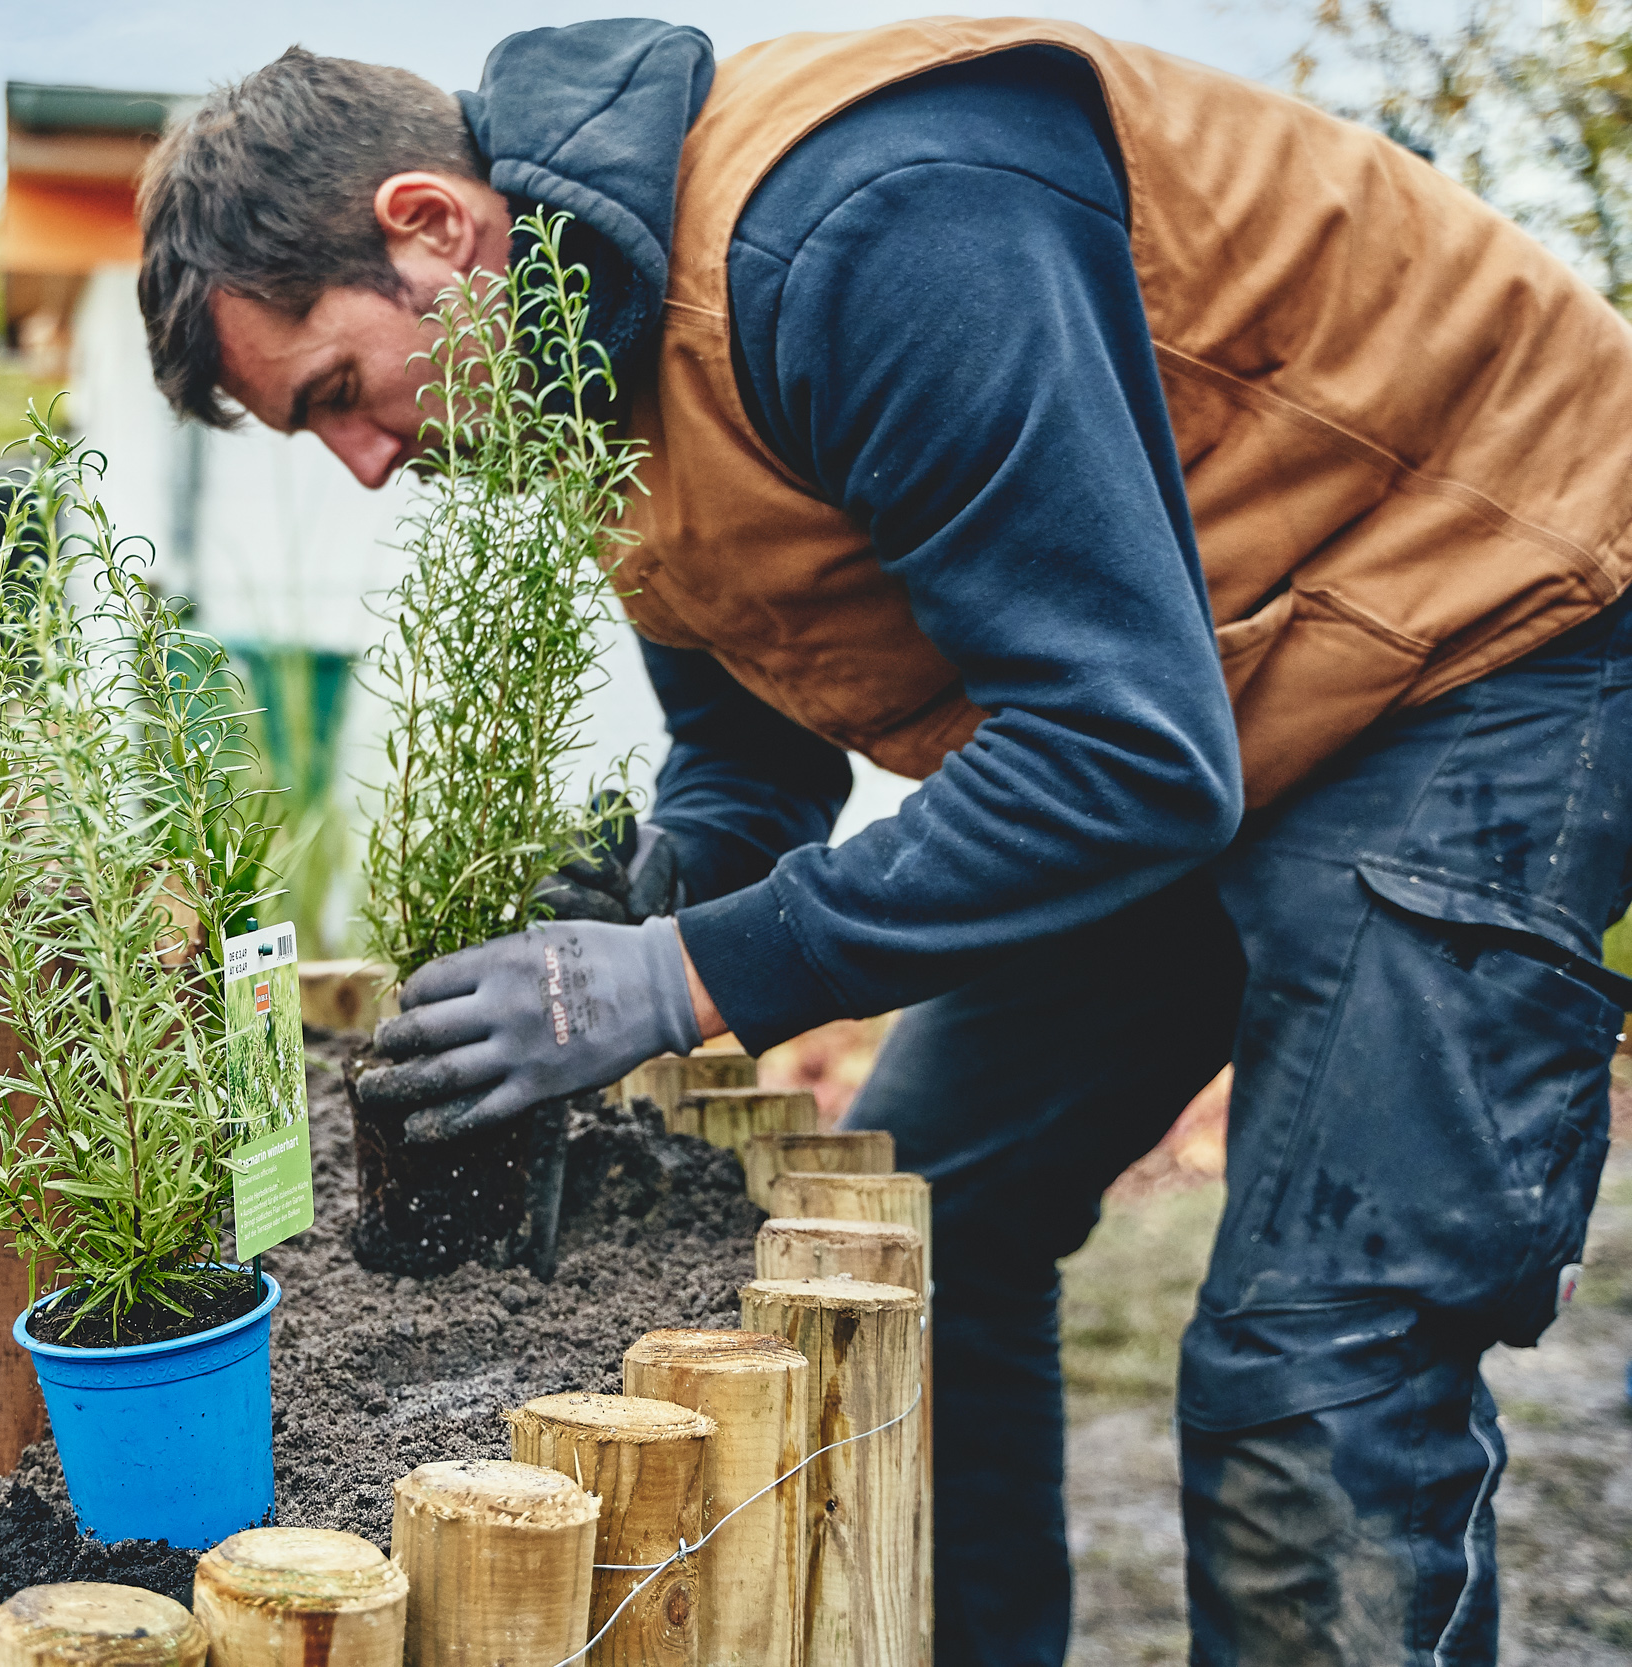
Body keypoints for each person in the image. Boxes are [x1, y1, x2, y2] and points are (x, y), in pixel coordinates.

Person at [134, 18, 1632, 1665]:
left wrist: (684, 976)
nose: (367, 463)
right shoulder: (591, 386)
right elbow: (745, 762)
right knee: (925, 1223)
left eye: (341, 391)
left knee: (1313, 1357)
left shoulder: (864, 225)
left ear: (431, 228)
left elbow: (1124, 755)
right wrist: (650, 899)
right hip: (1217, 693)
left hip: (1496, 629)